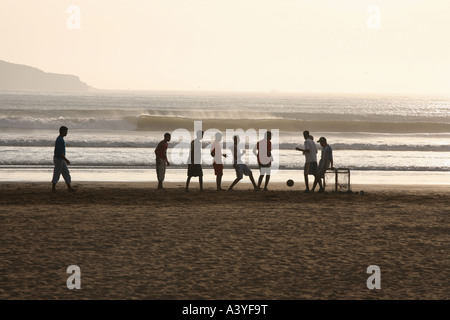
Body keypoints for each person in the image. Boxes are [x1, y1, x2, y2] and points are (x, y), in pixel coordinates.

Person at [51, 126, 75, 192]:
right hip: (59, 158)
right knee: (57, 172)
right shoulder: (59, 140)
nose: (67, 133)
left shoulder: (60, 139)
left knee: (66, 172)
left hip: (61, 159)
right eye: (66, 131)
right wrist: (66, 159)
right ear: (63, 132)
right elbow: (60, 151)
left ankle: (69, 187)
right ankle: (53, 187)